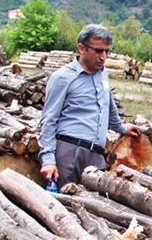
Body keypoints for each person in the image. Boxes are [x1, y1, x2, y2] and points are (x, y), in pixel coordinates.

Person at [38, 24, 140, 187]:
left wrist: (121, 128)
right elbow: (48, 121)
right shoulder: (62, 77)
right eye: (98, 51)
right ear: (81, 48)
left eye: (108, 51)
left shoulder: (102, 74)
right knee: (66, 205)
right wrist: (48, 160)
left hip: (97, 156)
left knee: (96, 206)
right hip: (70, 152)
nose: (104, 57)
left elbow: (108, 106)